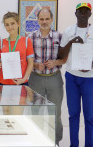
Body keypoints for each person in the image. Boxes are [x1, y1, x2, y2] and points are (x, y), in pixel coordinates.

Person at [58, 3, 93, 147]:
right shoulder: (69, 31)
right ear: (75, 13)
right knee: (73, 115)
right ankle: (73, 145)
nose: (82, 14)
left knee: (89, 116)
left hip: (90, 79)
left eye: (86, 11)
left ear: (90, 14)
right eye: (80, 11)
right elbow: (61, 53)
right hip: (71, 77)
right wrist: (72, 41)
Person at [27, 8, 66, 146]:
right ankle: (37, 141)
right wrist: (36, 65)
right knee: (35, 112)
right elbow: (26, 60)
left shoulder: (60, 37)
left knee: (55, 113)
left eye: (47, 19)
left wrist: (55, 62)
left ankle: (55, 142)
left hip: (54, 79)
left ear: (52, 20)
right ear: (37, 20)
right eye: (41, 19)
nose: (44, 22)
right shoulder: (30, 37)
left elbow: (65, 58)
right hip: (35, 80)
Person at [0, 12, 34, 86]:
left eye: (12, 23)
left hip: (21, 82)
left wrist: (24, 79)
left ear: (18, 23)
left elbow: (30, 63)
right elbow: (1, 63)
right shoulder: (1, 43)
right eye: (7, 24)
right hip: (3, 82)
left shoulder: (26, 41)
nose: (10, 27)